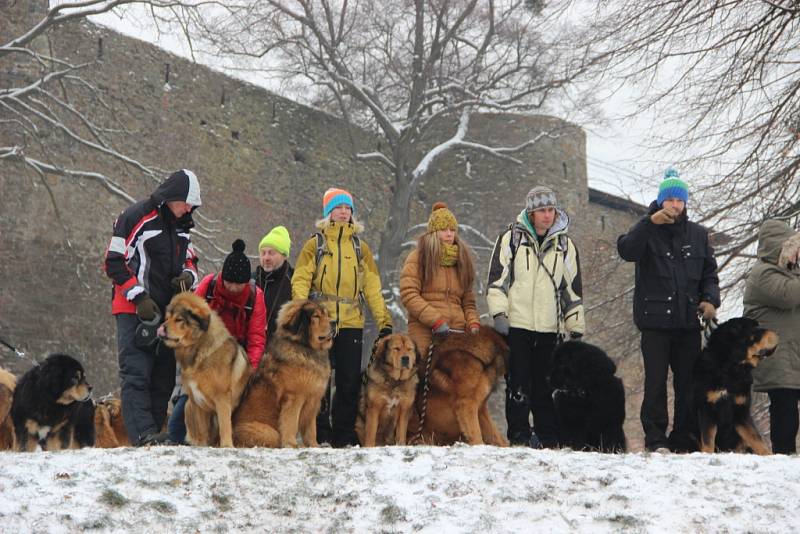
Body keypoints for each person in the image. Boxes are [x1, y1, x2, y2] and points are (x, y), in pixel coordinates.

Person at [617, 168, 720, 453]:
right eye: (670, 199)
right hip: (655, 323)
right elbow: (627, 250)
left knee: (688, 385)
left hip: (688, 323)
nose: (676, 205)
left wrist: (711, 299)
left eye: (680, 200)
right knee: (655, 384)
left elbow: (710, 274)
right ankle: (656, 439)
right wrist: (649, 224)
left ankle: (685, 438)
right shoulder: (646, 230)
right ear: (661, 200)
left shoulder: (698, 234)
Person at [104, 169, 201, 446]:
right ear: (172, 197)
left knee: (163, 375)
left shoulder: (184, 226)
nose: (189, 209)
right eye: (186, 203)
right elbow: (114, 261)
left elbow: (191, 260)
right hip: (133, 308)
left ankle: (157, 432)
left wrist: (187, 277)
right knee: (136, 372)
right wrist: (138, 297)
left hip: (167, 313)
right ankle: (143, 436)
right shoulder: (135, 217)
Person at [291, 187, 393, 447]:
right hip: (320, 322)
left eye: (348, 208)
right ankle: (320, 433)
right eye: (339, 208)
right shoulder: (316, 244)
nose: (344, 212)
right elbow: (301, 277)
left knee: (349, 381)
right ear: (328, 212)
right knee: (320, 381)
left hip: (351, 321)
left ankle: (344, 435)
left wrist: (384, 320)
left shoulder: (361, 247)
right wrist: (301, 309)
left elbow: (372, 285)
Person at [487, 185, 585, 448]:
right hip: (517, 325)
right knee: (518, 384)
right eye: (541, 210)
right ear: (530, 213)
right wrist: (499, 314)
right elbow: (497, 280)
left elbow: (572, 289)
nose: (547, 215)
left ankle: (548, 437)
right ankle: (519, 436)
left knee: (546, 386)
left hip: (549, 327)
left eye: (550, 209)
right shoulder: (510, 239)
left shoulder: (566, 245)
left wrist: (574, 325)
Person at [167, 239, 267, 444]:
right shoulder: (209, 286)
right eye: (230, 283)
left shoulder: (255, 297)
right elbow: (190, 317)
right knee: (182, 415)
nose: (234, 288)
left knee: (228, 402)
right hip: (204, 355)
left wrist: (252, 371)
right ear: (223, 277)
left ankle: (226, 440)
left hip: (234, 361)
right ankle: (182, 441)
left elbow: (257, 337)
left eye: (240, 284)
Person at [744, 219, 800, 454]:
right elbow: (788, 295)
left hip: (792, 352)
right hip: (777, 355)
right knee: (784, 407)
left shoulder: (790, 273)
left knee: (788, 407)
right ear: (780, 247)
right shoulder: (762, 273)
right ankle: (783, 455)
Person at [400, 202, 481, 363]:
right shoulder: (418, 257)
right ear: (434, 232)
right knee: (422, 377)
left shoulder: (463, 261)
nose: (449, 234)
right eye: (444, 230)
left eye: (452, 230)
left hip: (456, 332)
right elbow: (409, 295)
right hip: (425, 331)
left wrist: (473, 322)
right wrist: (436, 320)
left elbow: (468, 301)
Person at [253, 225, 294, 337]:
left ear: (284, 256)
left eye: (271, 253)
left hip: (280, 347)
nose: (266, 258)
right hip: (252, 345)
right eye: (263, 253)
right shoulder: (251, 280)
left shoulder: (294, 282)